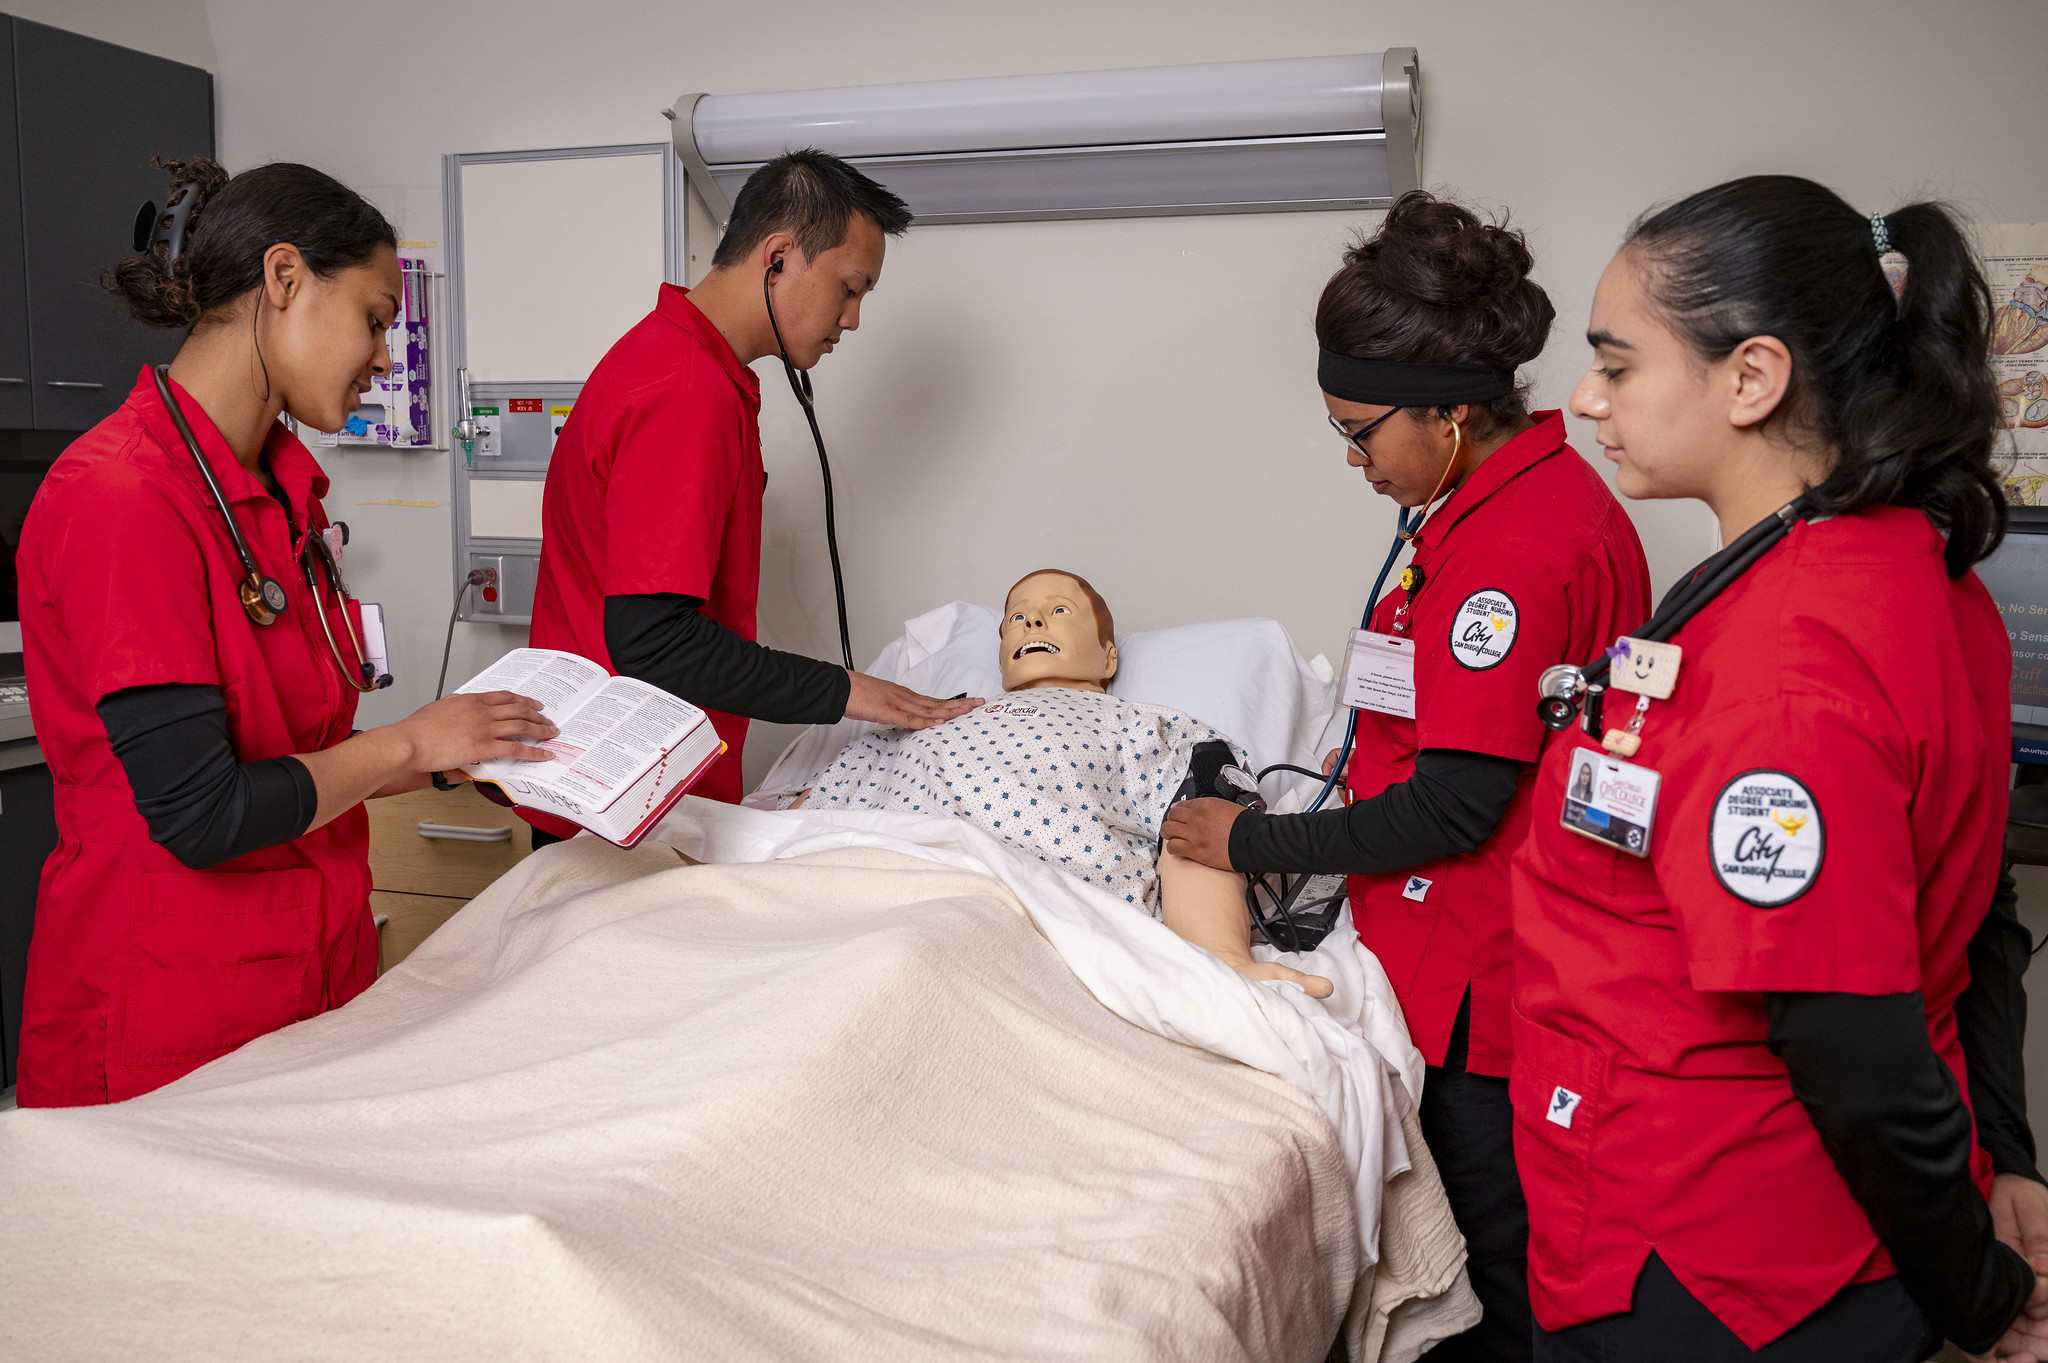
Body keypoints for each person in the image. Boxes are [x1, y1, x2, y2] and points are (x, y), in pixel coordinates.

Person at [1509, 175, 2048, 1360]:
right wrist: (2001, 1158)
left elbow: (1848, 1041)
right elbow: (1980, 917)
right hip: (1772, 1229)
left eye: (1616, 362)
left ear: (1750, 378)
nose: (1585, 398)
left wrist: (1981, 1296)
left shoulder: (1784, 663)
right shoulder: (1915, 573)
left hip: (1716, 1256)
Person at [1161, 191, 1651, 1362]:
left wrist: (1247, 842)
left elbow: (1457, 802)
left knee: (1486, 1283)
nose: (1351, 458)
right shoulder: (1469, 509)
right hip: (1430, 952)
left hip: (1492, 982)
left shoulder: (1515, 550)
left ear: (1446, 410)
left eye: (1358, 429)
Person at [13, 159, 558, 1107]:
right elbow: (203, 812)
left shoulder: (273, 496)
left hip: (304, 983)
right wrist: (409, 739)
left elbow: (289, 754)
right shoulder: (124, 498)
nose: (385, 356)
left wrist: (445, 750)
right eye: (377, 318)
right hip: (167, 1008)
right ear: (283, 278)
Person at [528, 148, 977, 845]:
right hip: (619, 813)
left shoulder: (679, 365)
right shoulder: (685, 392)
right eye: (849, 288)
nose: (852, 319)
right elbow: (654, 640)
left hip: (622, 794)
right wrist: (849, 691)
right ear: (778, 258)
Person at [791, 568, 1332, 997]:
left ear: (1108, 655)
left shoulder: (1150, 727)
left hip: (1031, 921)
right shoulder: (924, 721)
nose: (1031, 623)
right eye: (1016, 618)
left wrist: (1221, 958)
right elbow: (795, 825)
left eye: (1057, 611)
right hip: (869, 905)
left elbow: (1202, 833)